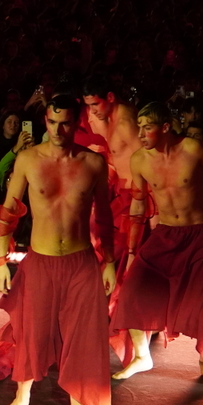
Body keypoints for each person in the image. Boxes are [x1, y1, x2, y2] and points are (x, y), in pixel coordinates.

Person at [0, 95, 116, 405]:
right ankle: (23, 396)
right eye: (51, 122)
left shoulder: (93, 163)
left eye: (65, 123)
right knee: (33, 331)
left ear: (77, 123)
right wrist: (1, 261)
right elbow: (9, 210)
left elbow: (105, 217)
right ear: (44, 121)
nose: (58, 130)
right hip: (40, 261)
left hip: (80, 263)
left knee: (84, 340)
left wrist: (108, 260)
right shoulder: (29, 159)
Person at [111, 101, 203, 385]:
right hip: (165, 235)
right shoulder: (139, 159)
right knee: (133, 291)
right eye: (138, 127)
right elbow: (138, 206)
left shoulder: (192, 148)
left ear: (165, 127)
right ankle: (142, 356)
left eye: (147, 127)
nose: (140, 133)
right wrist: (130, 251)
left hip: (200, 235)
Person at [79, 78, 142, 266]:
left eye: (95, 104)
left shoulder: (124, 122)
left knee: (117, 247)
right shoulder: (111, 119)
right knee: (102, 237)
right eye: (89, 106)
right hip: (122, 193)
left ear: (110, 97)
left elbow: (147, 160)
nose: (92, 111)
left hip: (135, 196)